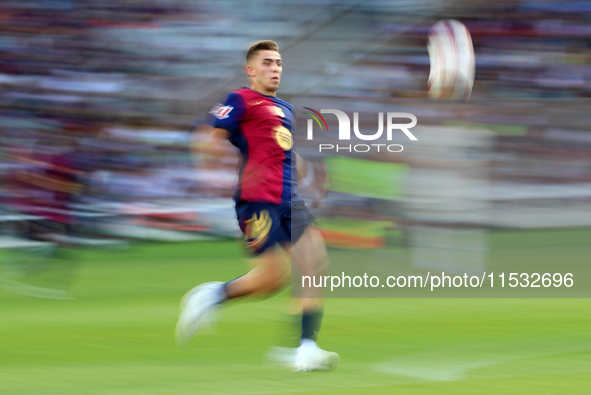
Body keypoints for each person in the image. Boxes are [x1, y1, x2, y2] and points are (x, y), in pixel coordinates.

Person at [175, 40, 339, 372]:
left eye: (278, 63)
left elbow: (284, 150)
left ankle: (306, 348)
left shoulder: (285, 109)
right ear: (251, 70)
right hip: (258, 200)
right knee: (272, 279)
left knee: (314, 265)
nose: (274, 68)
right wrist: (208, 169)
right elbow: (209, 136)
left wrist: (308, 173)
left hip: (290, 199)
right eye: (266, 63)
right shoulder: (240, 100)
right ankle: (212, 296)